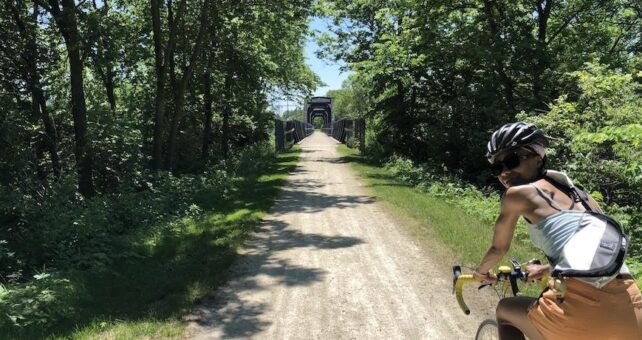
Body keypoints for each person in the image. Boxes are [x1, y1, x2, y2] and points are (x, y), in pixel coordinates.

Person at [473, 122, 642, 340]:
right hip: (632, 308)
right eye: (497, 168)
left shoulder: (517, 194)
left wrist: (481, 273)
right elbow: (592, 251)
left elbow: (498, 248)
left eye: (512, 160)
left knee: (505, 309)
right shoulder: (582, 195)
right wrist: (546, 268)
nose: (505, 172)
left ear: (537, 156)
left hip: (578, 311)